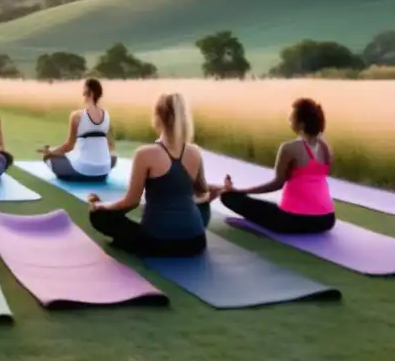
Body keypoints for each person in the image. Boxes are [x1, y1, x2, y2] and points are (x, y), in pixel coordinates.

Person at [88, 93, 212, 257]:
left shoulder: (145, 154)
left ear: (157, 117)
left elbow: (131, 202)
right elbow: (203, 191)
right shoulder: (194, 152)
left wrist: (104, 206)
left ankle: (127, 241)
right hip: (195, 243)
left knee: (98, 215)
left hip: (157, 243)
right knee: (202, 205)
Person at [215, 98, 335, 234]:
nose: (289, 118)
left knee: (228, 197)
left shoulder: (289, 148)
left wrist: (239, 191)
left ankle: (232, 194)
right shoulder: (326, 148)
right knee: (270, 207)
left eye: (292, 116)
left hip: (292, 220)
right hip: (326, 219)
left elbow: (276, 184)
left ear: (301, 124)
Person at [38, 78, 117, 182]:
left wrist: (50, 152)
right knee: (113, 157)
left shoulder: (77, 116)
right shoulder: (107, 116)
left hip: (82, 169)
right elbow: (111, 146)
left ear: (87, 91)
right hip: (103, 171)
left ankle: (71, 174)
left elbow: (69, 146)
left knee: (48, 158)